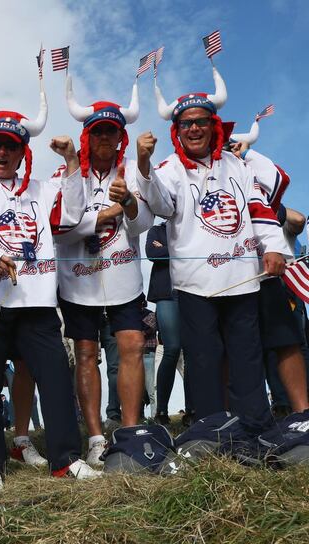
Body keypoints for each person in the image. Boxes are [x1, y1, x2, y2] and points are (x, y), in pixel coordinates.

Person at [0, 74, 98, 490]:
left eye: (12, 146)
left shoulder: (41, 189)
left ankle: (66, 459)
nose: (3, 152)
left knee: (55, 377)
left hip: (36, 301)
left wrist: (70, 166)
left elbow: (70, 217)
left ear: (21, 151)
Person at [136, 63, 292, 432]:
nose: (193, 128)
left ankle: (255, 428)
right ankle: (209, 429)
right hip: (195, 283)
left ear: (213, 126)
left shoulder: (238, 166)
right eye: (186, 123)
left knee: (246, 354)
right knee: (204, 358)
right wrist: (143, 164)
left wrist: (273, 248)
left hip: (242, 277)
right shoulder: (169, 167)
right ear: (177, 131)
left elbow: (258, 208)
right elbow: (160, 204)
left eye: (200, 121)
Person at [53, 73, 152, 466]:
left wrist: (127, 202)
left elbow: (143, 223)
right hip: (79, 283)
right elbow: (61, 230)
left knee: (131, 347)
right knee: (86, 353)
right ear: (87, 137)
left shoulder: (134, 171)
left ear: (120, 137)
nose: (105, 139)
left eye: (112, 133)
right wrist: (104, 215)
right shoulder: (64, 176)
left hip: (124, 277)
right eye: (98, 133)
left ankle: (128, 431)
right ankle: (95, 437)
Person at [228, 123, 309, 416]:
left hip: (268, 274)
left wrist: (246, 153)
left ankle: (301, 411)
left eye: (231, 147)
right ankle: (255, 414)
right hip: (232, 275)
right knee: (245, 348)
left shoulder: (257, 183)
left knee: (286, 341)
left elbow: (283, 187)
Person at [146, 222, 191, 424]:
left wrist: (166, 249)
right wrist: (183, 250)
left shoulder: (193, 225)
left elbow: (197, 252)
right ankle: (161, 412)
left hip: (192, 292)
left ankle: (193, 409)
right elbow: (151, 253)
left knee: (191, 352)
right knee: (171, 349)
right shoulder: (156, 230)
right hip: (166, 295)